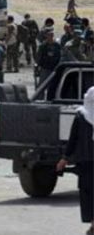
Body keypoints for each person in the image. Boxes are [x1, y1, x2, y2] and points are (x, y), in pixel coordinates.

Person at [56, 87, 93, 235]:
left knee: (88, 193)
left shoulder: (81, 116)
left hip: (85, 162)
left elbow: (73, 139)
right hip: (86, 162)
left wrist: (64, 158)